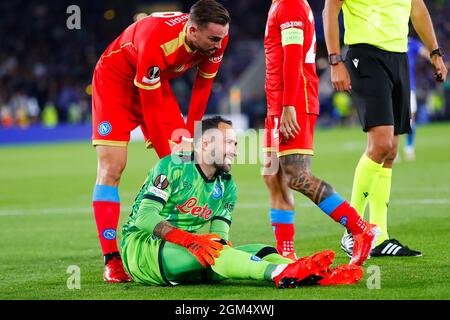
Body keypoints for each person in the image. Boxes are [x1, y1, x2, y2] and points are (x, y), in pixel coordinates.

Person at [121, 116, 364, 287]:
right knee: (215, 253)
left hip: (187, 250)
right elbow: (144, 218)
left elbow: (219, 236)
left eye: (235, 144)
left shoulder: (227, 185)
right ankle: (282, 273)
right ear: (205, 143)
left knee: (263, 250)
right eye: (228, 142)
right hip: (144, 250)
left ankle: (317, 275)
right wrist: (190, 240)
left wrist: (206, 243)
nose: (235, 150)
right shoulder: (173, 165)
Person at [91, 0, 230, 282]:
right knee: (113, 168)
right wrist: (168, 162)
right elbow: (151, 111)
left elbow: (202, 88)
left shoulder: (216, 40)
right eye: (214, 39)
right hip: (115, 81)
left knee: (188, 157)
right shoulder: (156, 42)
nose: (219, 44)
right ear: (192, 31)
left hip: (155, 84)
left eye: (222, 37)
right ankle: (112, 260)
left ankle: (185, 239)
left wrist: (192, 134)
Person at [323, 0, 447, 257]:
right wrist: (335, 60)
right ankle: (353, 231)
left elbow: (417, 9)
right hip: (366, 55)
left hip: (398, 56)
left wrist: (435, 53)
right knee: (380, 143)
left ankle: (380, 236)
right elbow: (330, 9)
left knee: (390, 149)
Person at [262, 0, 379, 265]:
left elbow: (293, 54)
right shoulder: (281, 3)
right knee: (273, 176)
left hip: (294, 100)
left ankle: (361, 229)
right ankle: (286, 254)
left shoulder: (290, 4)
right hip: (277, 102)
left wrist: (288, 104)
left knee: (296, 175)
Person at [404, 36, 429, 161]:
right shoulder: (389, 39)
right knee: (391, 120)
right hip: (391, 86)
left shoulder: (411, 42)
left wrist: (436, 59)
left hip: (409, 87)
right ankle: (392, 150)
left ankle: (409, 147)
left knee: (410, 119)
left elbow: (425, 52)